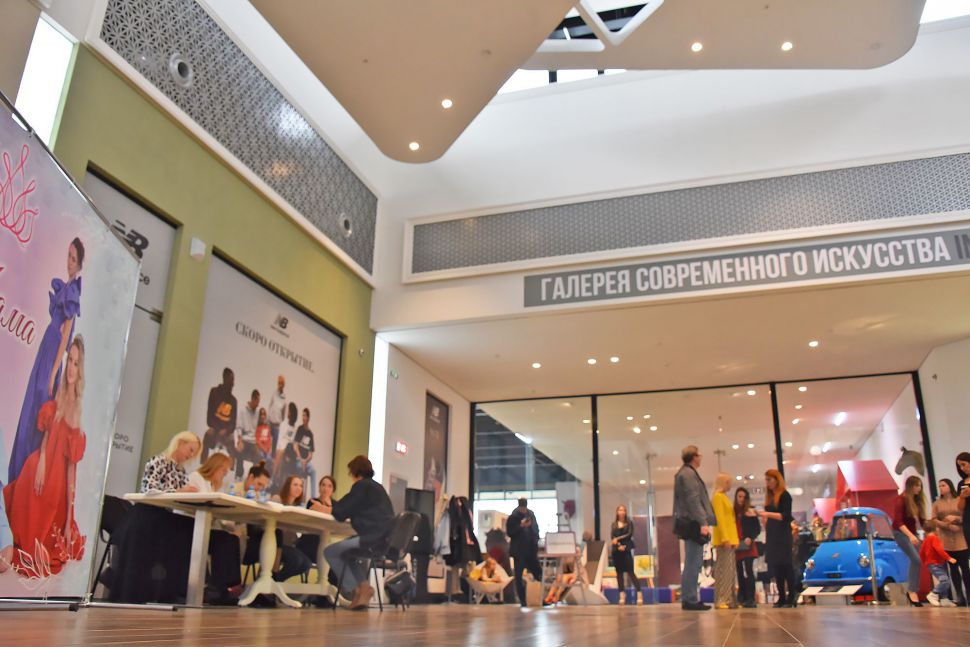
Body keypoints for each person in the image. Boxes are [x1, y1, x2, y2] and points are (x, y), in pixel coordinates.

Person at [1, 335, 87, 576]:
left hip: (57, 478)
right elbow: (48, 436)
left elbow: (71, 468)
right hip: (42, 461)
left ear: (80, 370)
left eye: (76, 363)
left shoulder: (76, 410)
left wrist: (69, 518)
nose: (71, 368)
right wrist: (41, 462)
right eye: (70, 361)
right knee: (28, 473)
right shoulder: (58, 394)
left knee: (41, 525)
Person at [8, 238, 83, 485]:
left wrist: (53, 372)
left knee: (38, 410)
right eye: (68, 256)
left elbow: (65, 336)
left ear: (79, 264)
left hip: (52, 356)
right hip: (45, 349)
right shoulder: (65, 287)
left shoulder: (73, 293)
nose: (69, 262)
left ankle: (24, 478)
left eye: (73, 258)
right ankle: (16, 475)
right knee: (30, 406)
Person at [325, 455, 395, 610]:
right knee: (347, 555)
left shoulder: (362, 486)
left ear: (355, 471)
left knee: (330, 552)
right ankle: (364, 588)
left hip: (371, 539)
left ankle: (355, 590)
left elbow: (341, 512)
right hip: (383, 541)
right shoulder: (378, 488)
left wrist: (325, 507)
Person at [673, 445, 715, 611]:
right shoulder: (688, 474)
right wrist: (703, 522)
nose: (700, 457)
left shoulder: (685, 473)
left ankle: (690, 598)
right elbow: (693, 499)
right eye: (699, 455)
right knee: (693, 562)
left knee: (693, 561)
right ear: (693, 457)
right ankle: (690, 599)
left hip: (690, 521)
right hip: (693, 523)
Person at [259, 475, 312, 582]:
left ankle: (277, 580)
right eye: (295, 484)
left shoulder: (297, 507)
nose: (298, 488)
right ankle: (272, 580)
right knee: (296, 560)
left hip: (288, 545)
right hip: (273, 542)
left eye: (300, 486)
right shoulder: (277, 499)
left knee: (306, 564)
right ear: (288, 486)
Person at [757, 469, 797, 608]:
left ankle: (791, 596)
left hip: (783, 534)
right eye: (766, 480)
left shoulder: (785, 495)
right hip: (772, 534)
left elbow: (785, 516)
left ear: (776, 480)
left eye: (769, 480)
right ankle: (781, 597)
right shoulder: (770, 497)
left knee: (786, 565)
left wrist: (766, 514)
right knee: (776, 566)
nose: (767, 483)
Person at [929, 478, 969, 606]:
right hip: (946, 539)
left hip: (961, 538)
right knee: (953, 570)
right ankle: (959, 596)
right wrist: (945, 525)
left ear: (950, 486)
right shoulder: (937, 504)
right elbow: (934, 519)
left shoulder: (959, 500)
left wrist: (956, 519)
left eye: (943, 485)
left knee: (965, 569)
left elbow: (965, 515)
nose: (941, 488)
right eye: (939, 486)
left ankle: (969, 595)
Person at [892, 474, 926, 606]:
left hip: (912, 533)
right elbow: (898, 521)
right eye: (917, 486)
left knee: (917, 561)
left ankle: (913, 590)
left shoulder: (916, 500)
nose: (919, 488)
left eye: (920, 486)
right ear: (910, 486)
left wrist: (930, 531)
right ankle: (912, 591)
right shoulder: (901, 500)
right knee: (915, 559)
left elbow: (922, 520)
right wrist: (911, 536)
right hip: (900, 532)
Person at [507, 497, 542, 607]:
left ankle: (541, 598)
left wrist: (535, 540)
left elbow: (536, 530)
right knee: (518, 576)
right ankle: (523, 600)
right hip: (519, 552)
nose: (523, 509)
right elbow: (510, 532)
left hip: (531, 551)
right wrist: (520, 526)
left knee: (539, 573)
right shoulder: (513, 517)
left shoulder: (531, 515)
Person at [711, 473, 739, 609]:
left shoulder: (723, 497)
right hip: (724, 540)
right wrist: (725, 537)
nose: (730, 485)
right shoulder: (718, 497)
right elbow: (720, 519)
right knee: (724, 571)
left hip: (730, 538)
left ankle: (730, 599)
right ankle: (722, 599)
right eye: (729, 482)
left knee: (730, 571)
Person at [296, 475, 339, 564]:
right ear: (319, 487)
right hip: (309, 540)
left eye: (329, 486)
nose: (325, 488)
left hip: (325, 541)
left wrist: (328, 506)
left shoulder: (336, 505)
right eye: (323, 485)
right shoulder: (312, 501)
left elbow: (334, 522)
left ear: (333, 490)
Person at [201, 367, 237, 462]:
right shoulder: (214, 392)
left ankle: (231, 468)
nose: (233, 384)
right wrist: (218, 429)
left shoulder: (233, 401)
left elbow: (233, 424)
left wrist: (226, 431)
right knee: (207, 435)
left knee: (232, 442)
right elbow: (209, 418)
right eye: (231, 380)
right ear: (225, 379)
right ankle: (202, 464)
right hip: (215, 429)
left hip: (226, 433)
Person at [920, 523, 958, 606]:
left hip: (932, 564)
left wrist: (925, 563)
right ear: (936, 529)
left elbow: (921, 552)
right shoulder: (934, 538)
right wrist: (949, 558)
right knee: (945, 581)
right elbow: (939, 549)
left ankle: (944, 599)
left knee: (943, 580)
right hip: (936, 564)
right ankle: (933, 594)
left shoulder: (926, 539)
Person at [734, 487, 760, 608]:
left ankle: (750, 598)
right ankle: (742, 597)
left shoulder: (750, 511)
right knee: (739, 572)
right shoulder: (733, 512)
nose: (741, 499)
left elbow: (757, 528)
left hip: (748, 546)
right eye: (739, 496)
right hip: (737, 546)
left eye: (744, 497)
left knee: (749, 571)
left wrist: (750, 537)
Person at [610, 505, 638, 597]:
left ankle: (639, 592)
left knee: (630, 572)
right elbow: (612, 537)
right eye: (620, 510)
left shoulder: (629, 523)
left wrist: (618, 540)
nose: (622, 512)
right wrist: (618, 545)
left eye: (623, 510)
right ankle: (622, 594)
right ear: (617, 512)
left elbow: (629, 534)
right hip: (616, 550)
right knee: (619, 573)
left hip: (626, 549)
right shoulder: (614, 524)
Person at [234, 389, 261, 480]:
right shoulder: (243, 410)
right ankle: (239, 475)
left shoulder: (258, 412)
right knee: (239, 450)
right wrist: (240, 440)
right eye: (257, 402)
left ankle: (253, 478)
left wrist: (257, 443)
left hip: (253, 441)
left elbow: (258, 430)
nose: (258, 404)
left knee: (259, 457)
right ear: (253, 399)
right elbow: (238, 427)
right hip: (244, 440)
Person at [272, 402, 300, 484]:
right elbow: (280, 439)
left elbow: (293, 441)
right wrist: (277, 450)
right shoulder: (284, 424)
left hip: (290, 449)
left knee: (282, 451)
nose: (288, 413)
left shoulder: (295, 428)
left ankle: (274, 477)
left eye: (289, 412)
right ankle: (275, 478)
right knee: (280, 453)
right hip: (282, 448)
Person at [293, 408, 317, 498]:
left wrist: (305, 461)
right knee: (299, 468)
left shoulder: (310, 434)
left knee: (313, 471)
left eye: (305, 415)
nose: (303, 418)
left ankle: (313, 498)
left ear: (308, 417)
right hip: (298, 459)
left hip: (306, 462)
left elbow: (311, 454)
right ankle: (298, 497)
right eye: (302, 415)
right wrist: (301, 459)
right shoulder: (300, 429)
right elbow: (295, 446)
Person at [267, 375, 287, 456]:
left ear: (283, 385)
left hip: (277, 425)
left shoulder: (284, 399)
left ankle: (272, 457)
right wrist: (269, 417)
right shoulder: (274, 394)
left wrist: (278, 420)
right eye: (279, 383)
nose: (280, 385)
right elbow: (270, 406)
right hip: (270, 423)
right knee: (268, 442)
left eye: (281, 383)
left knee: (274, 445)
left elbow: (283, 414)